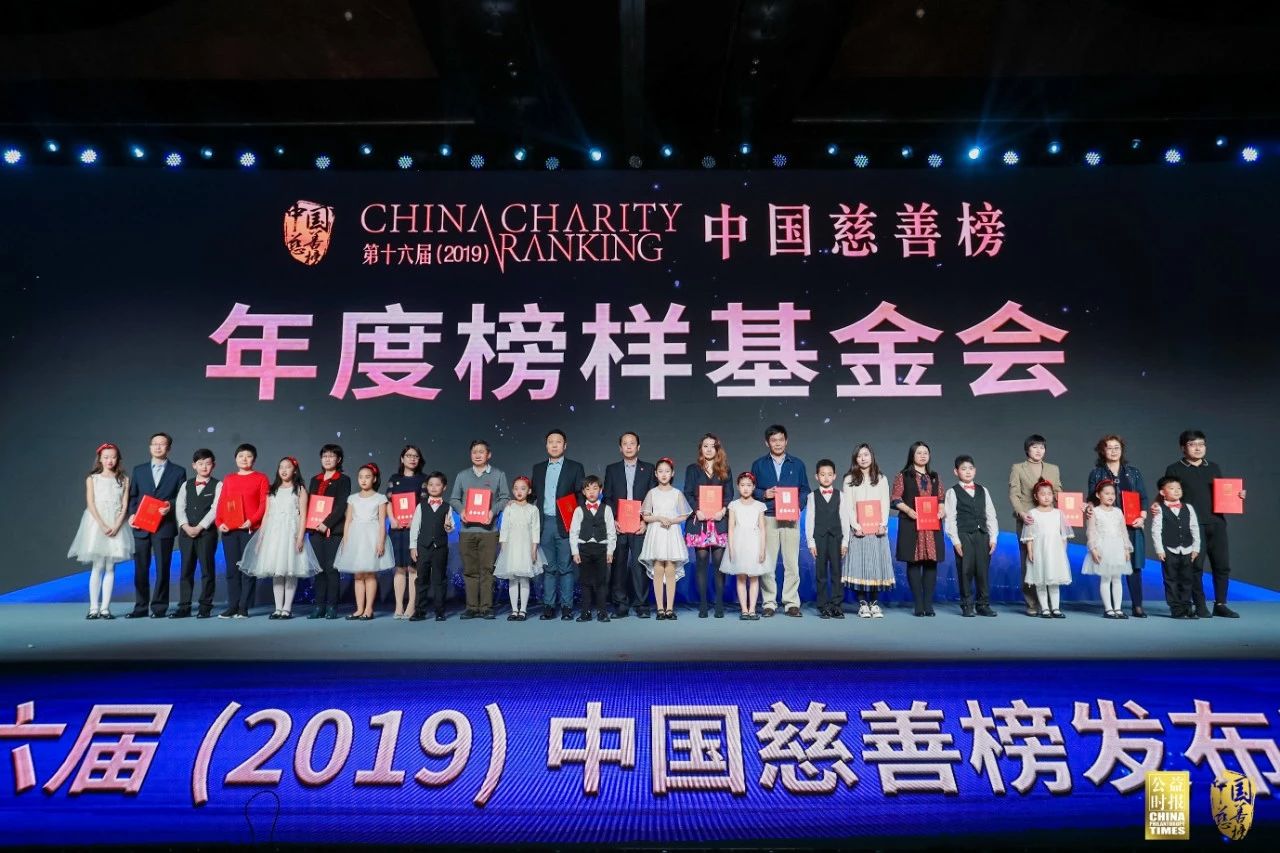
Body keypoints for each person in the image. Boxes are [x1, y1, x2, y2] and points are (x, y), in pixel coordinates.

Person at [1163, 430, 1242, 618]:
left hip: (1217, 522)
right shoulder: (1175, 469)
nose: (1198, 448)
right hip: (1192, 525)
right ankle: (1199, 605)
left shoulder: (1213, 467)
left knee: (1222, 565)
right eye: (1192, 444)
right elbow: (1169, 494)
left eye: (1201, 444)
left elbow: (1223, 494)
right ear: (1183, 448)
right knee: (1195, 567)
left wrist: (1237, 496)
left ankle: (1220, 604)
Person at [239, 457, 320, 619]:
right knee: (277, 572)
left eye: (287, 467)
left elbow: (303, 515)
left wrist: (300, 537)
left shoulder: (300, 490)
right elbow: (266, 515)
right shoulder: (272, 490)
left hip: (291, 533)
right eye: (281, 467)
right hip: (274, 534)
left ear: (294, 471)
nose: (284, 470)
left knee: (290, 570)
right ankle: (278, 608)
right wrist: (261, 538)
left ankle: (287, 608)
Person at [749, 424, 810, 617]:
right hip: (768, 517)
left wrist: (798, 506)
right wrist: (763, 493)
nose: (777, 443)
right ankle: (769, 603)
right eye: (773, 440)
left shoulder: (797, 464)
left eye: (781, 439)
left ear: (786, 441)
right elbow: (750, 489)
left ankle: (791, 602)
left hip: (791, 519)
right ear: (767, 443)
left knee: (792, 563)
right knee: (768, 563)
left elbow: (805, 490)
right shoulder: (759, 465)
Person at [1086, 435, 1149, 618]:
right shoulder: (1096, 473)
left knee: (1134, 565)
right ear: (1102, 451)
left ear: (1122, 450)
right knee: (1109, 568)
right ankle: (1110, 607)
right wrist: (1089, 508)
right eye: (1109, 447)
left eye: (1117, 447)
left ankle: (1137, 606)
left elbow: (1143, 497)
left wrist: (1142, 517)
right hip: (1106, 525)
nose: (1113, 451)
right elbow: (1091, 498)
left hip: (1131, 524)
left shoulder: (1133, 472)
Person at [68, 443, 133, 620]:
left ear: (118, 459)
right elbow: (91, 503)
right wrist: (102, 525)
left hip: (116, 523)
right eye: (106, 457)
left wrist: (117, 525)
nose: (110, 460)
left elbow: (125, 505)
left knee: (111, 567)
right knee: (97, 566)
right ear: (100, 459)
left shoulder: (124, 479)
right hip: (97, 524)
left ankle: (105, 608)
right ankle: (93, 608)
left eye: (113, 457)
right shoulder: (93, 478)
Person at [126, 432, 186, 618]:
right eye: (155, 444)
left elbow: (182, 497)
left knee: (162, 568)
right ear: (150, 447)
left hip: (164, 526)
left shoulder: (178, 471)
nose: (158, 447)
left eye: (162, 444)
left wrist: (170, 505)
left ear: (169, 448)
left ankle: (159, 608)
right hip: (141, 525)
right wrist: (132, 514)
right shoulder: (139, 470)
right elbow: (133, 496)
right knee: (140, 568)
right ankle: (140, 607)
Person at [449, 440, 510, 620]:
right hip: (467, 531)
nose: (477, 455)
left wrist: (493, 511)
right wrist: (461, 511)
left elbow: (505, 498)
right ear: (471, 455)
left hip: (489, 531)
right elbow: (454, 499)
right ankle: (471, 607)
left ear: (488, 455)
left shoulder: (498, 474)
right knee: (470, 570)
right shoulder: (462, 475)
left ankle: (486, 607)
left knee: (487, 570)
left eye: (481, 452)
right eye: (474, 452)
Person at [530, 430, 585, 620]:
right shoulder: (538, 468)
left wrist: (580, 522)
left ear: (565, 445)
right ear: (546, 445)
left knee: (566, 567)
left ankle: (567, 607)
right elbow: (532, 495)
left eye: (558, 442)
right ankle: (549, 606)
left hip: (566, 524)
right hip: (545, 523)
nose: (554, 445)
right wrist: (516, 502)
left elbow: (580, 496)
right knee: (549, 568)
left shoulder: (575, 467)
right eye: (550, 442)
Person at [603, 432, 657, 618]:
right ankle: (620, 604)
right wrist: (613, 520)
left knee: (638, 564)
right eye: (625, 443)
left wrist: (645, 521)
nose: (628, 446)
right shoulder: (612, 469)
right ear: (620, 448)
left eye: (632, 443)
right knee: (618, 565)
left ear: (638, 447)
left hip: (640, 524)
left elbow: (652, 497)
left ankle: (641, 604)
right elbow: (607, 497)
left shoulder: (648, 469)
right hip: (619, 524)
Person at [1008, 434, 1063, 616]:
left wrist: (1073, 507)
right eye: (1035, 447)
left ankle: (1050, 603)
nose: (1039, 450)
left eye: (1042, 447)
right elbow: (1014, 494)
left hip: (1049, 520)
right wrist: (1021, 513)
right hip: (1028, 520)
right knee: (1029, 560)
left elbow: (1059, 493)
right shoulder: (1018, 468)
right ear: (1027, 449)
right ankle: (1032, 603)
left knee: (1050, 559)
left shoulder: (1053, 469)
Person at [216, 444, 270, 619]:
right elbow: (222, 502)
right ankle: (232, 606)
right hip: (229, 530)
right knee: (232, 570)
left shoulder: (261, 478)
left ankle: (243, 607)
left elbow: (264, 504)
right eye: (241, 456)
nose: (244, 459)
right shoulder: (229, 478)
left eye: (248, 456)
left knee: (247, 569)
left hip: (250, 530)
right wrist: (219, 522)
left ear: (254, 459)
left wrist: (252, 521)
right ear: (235, 459)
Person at [892, 441, 946, 617]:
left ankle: (928, 604)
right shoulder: (903, 476)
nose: (923, 456)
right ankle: (918, 603)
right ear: (912, 456)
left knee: (931, 563)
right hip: (912, 524)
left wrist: (941, 510)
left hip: (931, 526)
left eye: (925, 453)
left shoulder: (935, 477)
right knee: (913, 562)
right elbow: (895, 499)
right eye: (919, 453)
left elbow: (941, 499)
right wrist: (909, 510)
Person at [681, 433, 733, 618]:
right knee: (701, 562)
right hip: (700, 522)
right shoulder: (693, 469)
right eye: (705, 446)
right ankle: (703, 604)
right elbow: (687, 493)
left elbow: (729, 494)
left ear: (718, 449)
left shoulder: (725, 469)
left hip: (718, 522)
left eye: (712, 446)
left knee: (719, 563)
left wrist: (723, 510)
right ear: (700, 449)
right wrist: (696, 510)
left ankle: (719, 604)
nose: (709, 449)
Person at [841, 443, 894, 619]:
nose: (863, 458)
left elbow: (885, 502)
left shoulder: (881, 478)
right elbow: (848, 506)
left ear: (872, 456)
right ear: (855, 459)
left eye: (866, 454)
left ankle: (875, 604)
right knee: (860, 567)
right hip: (859, 531)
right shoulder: (849, 479)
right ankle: (863, 604)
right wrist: (856, 526)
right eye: (859, 455)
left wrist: (883, 524)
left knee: (876, 567)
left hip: (878, 530)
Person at [943, 455, 1000, 617]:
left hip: (982, 534)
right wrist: (955, 541)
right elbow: (950, 518)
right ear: (956, 472)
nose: (967, 472)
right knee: (965, 570)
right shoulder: (952, 492)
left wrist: (993, 537)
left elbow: (991, 515)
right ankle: (967, 605)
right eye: (963, 469)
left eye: (970, 468)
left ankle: (983, 604)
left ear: (975, 470)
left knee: (982, 571)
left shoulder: (983, 490)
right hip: (964, 535)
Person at [335, 463, 393, 619]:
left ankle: (369, 609)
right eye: (361, 477)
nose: (363, 480)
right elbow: (348, 521)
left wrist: (380, 542)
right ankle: (359, 609)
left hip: (371, 537)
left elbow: (382, 522)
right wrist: (346, 541)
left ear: (374, 479)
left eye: (367, 477)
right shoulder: (352, 498)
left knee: (370, 574)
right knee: (358, 575)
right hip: (356, 538)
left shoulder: (380, 498)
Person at [639, 457, 692, 620]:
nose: (664, 474)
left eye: (667, 471)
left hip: (671, 532)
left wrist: (672, 521)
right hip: (656, 532)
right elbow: (646, 516)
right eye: (660, 471)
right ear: (656, 474)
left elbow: (684, 515)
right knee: (658, 568)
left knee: (670, 568)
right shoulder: (652, 493)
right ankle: (660, 609)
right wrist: (659, 518)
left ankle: (670, 608)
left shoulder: (677, 493)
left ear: (672, 473)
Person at [171, 448, 221, 618]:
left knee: (207, 570)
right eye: (200, 463)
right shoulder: (186, 484)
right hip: (186, 533)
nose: (204, 467)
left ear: (213, 465)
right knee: (186, 570)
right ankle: (184, 607)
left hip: (206, 533)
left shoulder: (218, 485)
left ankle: (205, 607)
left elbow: (215, 509)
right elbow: (180, 507)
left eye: (208, 463)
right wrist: (185, 526)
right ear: (194, 465)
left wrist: (200, 527)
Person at [307, 444, 350, 620]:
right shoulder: (315, 479)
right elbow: (311, 504)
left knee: (332, 569)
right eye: (324, 456)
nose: (327, 459)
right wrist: (312, 523)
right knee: (319, 569)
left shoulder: (343, 479)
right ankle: (319, 606)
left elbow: (341, 505)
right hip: (315, 530)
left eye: (331, 456)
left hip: (333, 531)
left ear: (338, 459)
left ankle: (332, 606)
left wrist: (326, 523)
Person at [1020, 479, 1074, 619]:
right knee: (1041, 580)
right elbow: (1029, 536)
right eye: (1042, 494)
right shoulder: (1032, 513)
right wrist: (1030, 551)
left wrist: (1062, 552)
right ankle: (1044, 608)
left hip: (1055, 552)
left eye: (1049, 494)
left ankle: (1055, 608)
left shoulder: (1058, 513)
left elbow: (1064, 536)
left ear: (1053, 495)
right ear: (1036, 496)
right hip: (1039, 551)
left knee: (1054, 581)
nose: (1046, 497)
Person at [804, 459, 849, 618]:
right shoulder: (812, 496)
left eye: (829, 474)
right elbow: (809, 519)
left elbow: (845, 518)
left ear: (835, 476)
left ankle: (837, 605)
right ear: (816, 476)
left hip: (836, 538)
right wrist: (811, 542)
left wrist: (845, 542)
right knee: (821, 573)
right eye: (822, 474)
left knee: (837, 572)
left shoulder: (840, 495)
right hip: (820, 538)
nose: (826, 477)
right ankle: (823, 605)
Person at [1151, 474, 1201, 620]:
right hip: (1169, 549)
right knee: (1171, 579)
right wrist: (1159, 549)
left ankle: (1187, 607)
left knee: (1187, 579)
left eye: (1179, 488)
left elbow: (1194, 528)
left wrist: (1196, 547)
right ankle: (1176, 609)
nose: (1176, 491)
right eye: (1172, 488)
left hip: (1187, 549)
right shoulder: (1159, 509)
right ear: (1162, 492)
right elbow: (1156, 530)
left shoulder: (1188, 508)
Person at [1081, 480, 1133, 619]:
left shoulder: (1118, 512)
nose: (1110, 496)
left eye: (1113, 494)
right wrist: (1093, 549)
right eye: (1107, 493)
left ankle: (1118, 608)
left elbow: (1123, 531)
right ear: (1098, 495)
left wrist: (1126, 548)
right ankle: (1108, 609)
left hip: (1118, 547)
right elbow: (1091, 531)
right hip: (1103, 547)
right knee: (1106, 578)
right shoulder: (1094, 512)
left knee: (1117, 578)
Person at [385, 445, 426, 620]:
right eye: (408, 455)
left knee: (413, 568)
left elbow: (424, 504)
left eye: (415, 456)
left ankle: (411, 605)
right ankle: (399, 606)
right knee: (399, 568)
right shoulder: (394, 479)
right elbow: (388, 502)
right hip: (397, 529)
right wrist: (392, 519)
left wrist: (414, 521)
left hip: (415, 529)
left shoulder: (424, 479)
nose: (412, 458)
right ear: (402, 459)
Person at [569, 475, 617, 622]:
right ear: (583, 492)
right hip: (584, 549)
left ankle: (602, 612)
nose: (591, 492)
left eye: (595, 488)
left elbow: (611, 532)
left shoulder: (607, 509)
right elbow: (573, 532)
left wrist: (610, 551)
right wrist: (575, 552)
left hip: (602, 549)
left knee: (601, 582)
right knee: (585, 582)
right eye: (588, 489)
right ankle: (586, 612)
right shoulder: (579, 510)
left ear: (600, 490)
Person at [720, 472, 768, 620]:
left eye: (748, 485)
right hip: (739, 543)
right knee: (741, 577)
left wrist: (762, 549)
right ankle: (744, 610)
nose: (745, 488)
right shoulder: (733, 505)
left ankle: (752, 609)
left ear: (753, 487)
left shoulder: (760, 506)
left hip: (754, 543)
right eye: (742, 485)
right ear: (738, 487)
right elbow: (731, 528)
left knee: (754, 577)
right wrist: (731, 547)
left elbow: (762, 528)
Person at [409, 471, 455, 622]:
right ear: (427, 487)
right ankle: (419, 611)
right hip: (423, 547)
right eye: (430, 485)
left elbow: (451, 527)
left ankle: (440, 611)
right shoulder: (421, 506)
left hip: (440, 548)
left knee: (439, 579)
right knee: (421, 579)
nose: (434, 487)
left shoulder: (447, 507)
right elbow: (415, 527)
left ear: (444, 487)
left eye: (437, 485)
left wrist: (448, 527)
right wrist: (413, 547)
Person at [494, 475, 541, 621]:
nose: (519, 491)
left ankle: (523, 610)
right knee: (513, 579)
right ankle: (514, 610)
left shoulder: (533, 509)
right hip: (512, 547)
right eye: (516, 488)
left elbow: (535, 530)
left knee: (524, 579)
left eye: (523, 488)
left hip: (526, 547)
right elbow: (504, 528)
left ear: (529, 491)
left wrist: (534, 548)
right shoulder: (509, 508)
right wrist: (503, 546)